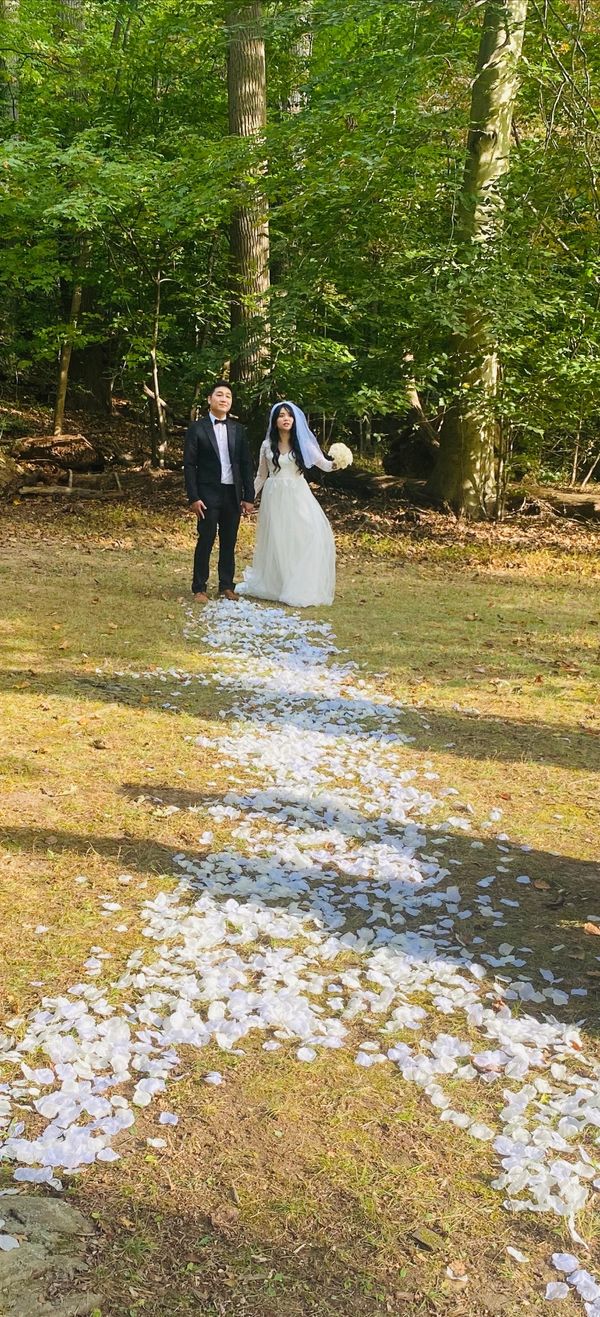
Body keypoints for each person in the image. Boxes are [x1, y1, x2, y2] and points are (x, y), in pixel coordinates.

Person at [237, 401, 337, 608]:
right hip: (274, 496)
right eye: (281, 415)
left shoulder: (303, 443)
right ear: (275, 421)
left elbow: (325, 465)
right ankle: (278, 584)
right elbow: (261, 476)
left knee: (304, 535)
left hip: (297, 494)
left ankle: (300, 584)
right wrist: (249, 497)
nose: (286, 419)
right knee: (278, 538)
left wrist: (339, 461)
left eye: (289, 415)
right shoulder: (267, 446)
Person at [183, 380, 254, 602]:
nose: (224, 399)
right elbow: (190, 464)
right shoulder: (197, 428)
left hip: (231, 494)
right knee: (206, 539)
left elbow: (245, 464)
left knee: (229, 540)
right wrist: (193, 497)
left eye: (228, 396)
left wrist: (248, 496)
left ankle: (226, 585)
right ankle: (199, 588)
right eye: (220, 395)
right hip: (206, 494)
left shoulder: (238, 429)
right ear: (209, 399)